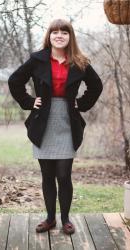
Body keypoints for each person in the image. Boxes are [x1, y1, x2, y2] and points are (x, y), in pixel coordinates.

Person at [8, 19, 103, 235]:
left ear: (70, 37)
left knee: (64, 175)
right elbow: (15, 81)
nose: (59, 35)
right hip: (43, 122)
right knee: (47, 175)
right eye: (55, 32)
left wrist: (83, 103)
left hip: (67, 122)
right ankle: (50, 219)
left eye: (64, 32)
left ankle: (66, 219)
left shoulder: (79, 61)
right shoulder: (37, 59)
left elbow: (96, 85)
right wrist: (29, 101)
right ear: (49, 36)